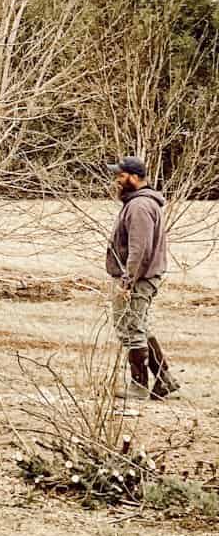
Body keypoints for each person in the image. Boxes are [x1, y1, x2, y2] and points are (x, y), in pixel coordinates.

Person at [105, 155, 179, 400]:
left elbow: (139, 250)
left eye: (121, 175)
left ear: (135, 177)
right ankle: (165, 380)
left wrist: (127, 281)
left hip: (138, 278)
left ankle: (138, 387)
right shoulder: (141, 203)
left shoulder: (139, 207)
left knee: (130, 328)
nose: (117, 179)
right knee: (141, 327)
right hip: (143, 277)